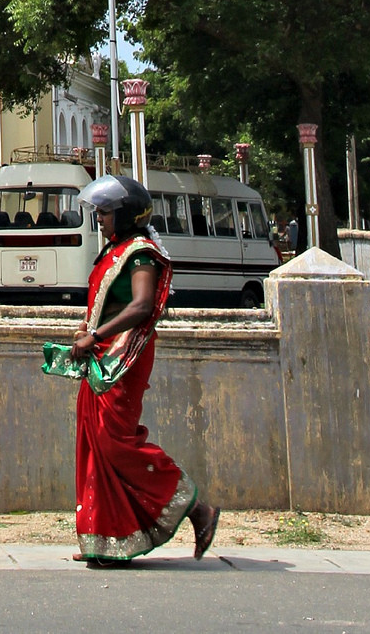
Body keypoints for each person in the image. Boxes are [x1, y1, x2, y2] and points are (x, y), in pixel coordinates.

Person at [67, 174, 221, 567]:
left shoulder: (140, 253)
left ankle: (194, 506)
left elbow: (140, 306)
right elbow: (108, 305)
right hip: (103, 354)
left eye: (105, 213)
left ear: (126, 215)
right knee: (95, 442)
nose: (99, 219)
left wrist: (97, 333)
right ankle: (107, 539)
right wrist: (88, 331)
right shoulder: (114, 250)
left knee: (114, 440)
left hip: (125, 357)